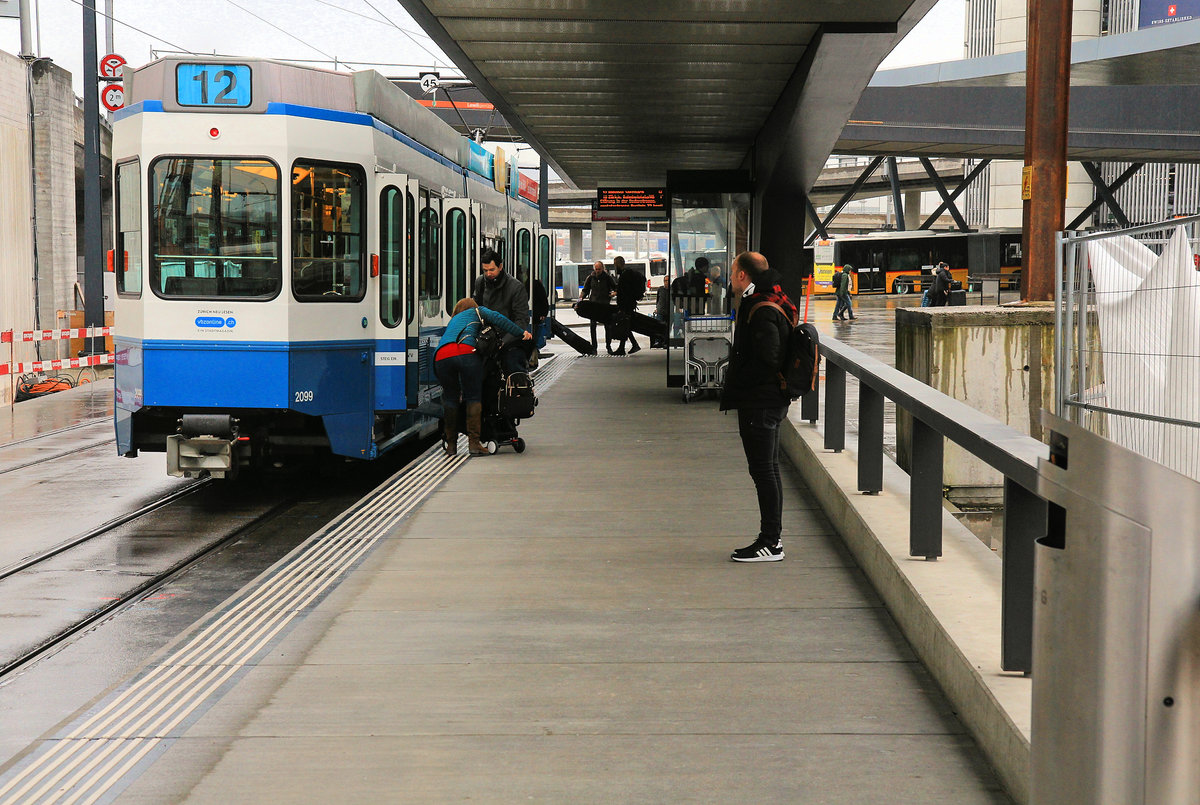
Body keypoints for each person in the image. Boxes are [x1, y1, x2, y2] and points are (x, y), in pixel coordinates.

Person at [720, 251, 798, 563]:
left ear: (742, 275)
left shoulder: (760, 306)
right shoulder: (775, 298)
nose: (730, 278)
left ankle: (771, 542)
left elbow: (769, 357)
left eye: (732, 273)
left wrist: (740, 382)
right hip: (769, 400)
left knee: (764, 471)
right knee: (768, 469)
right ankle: (771, 539)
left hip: (760, 402)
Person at [435, 298, 532, 457]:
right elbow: (500, 319)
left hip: (441, 356)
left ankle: (451, 445)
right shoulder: (477, 311)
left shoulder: (453, 321)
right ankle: (474, 444)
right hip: (466, 353)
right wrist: (522, 333)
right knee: (473, 398)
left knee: (450, 399)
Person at [473, 248, 531, 375]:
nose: (488, 274)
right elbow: (475, 310)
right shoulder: (480, 282)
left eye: (491, 270)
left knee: (514, 368)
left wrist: (503, 342)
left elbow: (521, 320)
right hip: (486, 339)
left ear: (500, 267)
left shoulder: (516, 287)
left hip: (509, 340)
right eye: (485, 270)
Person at [578, 260, 617, 353]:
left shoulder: (607, 278)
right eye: (596, 269)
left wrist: (614, 293)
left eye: (599, 269)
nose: (597, 271)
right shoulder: (590, 278)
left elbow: (615, 288)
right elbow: (585, 290)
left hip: (604, 305)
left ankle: (608, 346)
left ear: (603, 268)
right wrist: (580, 300)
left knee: (607, 326)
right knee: (592, 326)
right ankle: (594, 347)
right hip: (593, 305)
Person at [613, 255, 643, 355]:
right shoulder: (628, 274)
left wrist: (621, 306)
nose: (615, 267)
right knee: (626, 326)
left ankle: (626, 347)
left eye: (615, 264)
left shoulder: (625, 276)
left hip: (626, 305)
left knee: (625, 325)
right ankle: (630, 345)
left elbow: (624, 293)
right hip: (630, 304)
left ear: (618, 264)